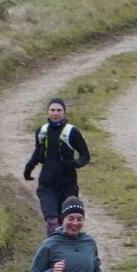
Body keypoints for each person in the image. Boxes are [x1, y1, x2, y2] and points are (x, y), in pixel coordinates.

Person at [21, 98, 92, 236]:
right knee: (52, 222)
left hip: (68, 185)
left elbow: (85, 156)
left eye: (59, 110)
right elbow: (38, 152)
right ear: (47, 112)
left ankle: (68, 252)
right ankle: (53, 251)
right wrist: (29, 167)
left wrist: (74, 164)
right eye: (52, 110)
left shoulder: (72, 132)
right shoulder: (42, 131)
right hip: (46, 184)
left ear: (64, 112)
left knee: (67, 222)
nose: (55, 113)